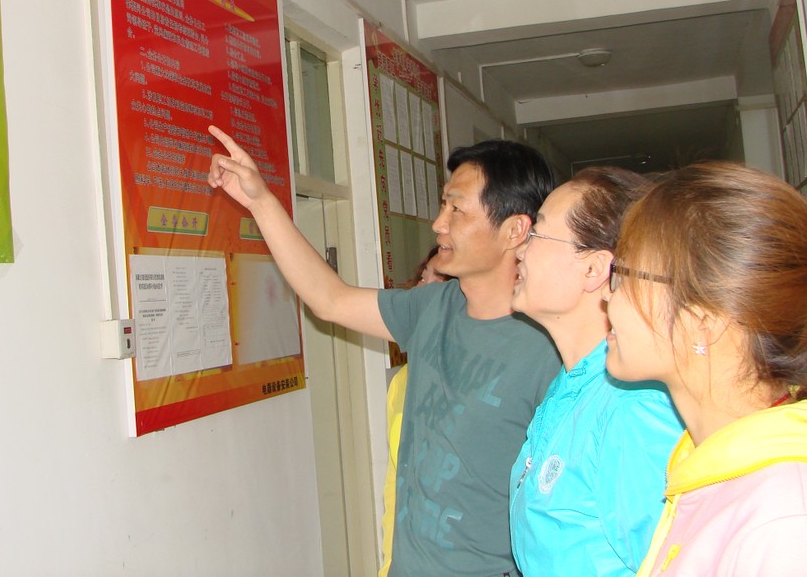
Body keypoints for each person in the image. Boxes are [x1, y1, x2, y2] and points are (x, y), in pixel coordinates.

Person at [208, 126, 560, 576]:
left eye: (457, 208)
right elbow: (330, 299)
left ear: (514, 230)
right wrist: (261, 202)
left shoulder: (550, 348)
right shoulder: (431, 307)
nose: (439, 223)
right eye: (443, 205)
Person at [604, 162, 807, 576]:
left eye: (623, 275)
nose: (607, 296)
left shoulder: (793, 525)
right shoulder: (725, 467)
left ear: (703, 321)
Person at [508, 167, 683, 577]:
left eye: (537, 234)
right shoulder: (574, 384)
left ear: (593, 269)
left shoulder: (634, 408)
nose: (519, 251)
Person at [379, 246, 448, 577]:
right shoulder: (403, 381)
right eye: (422, 277)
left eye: (439, 280)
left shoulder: (490, 381)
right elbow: (396, 487)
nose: (423, 289)